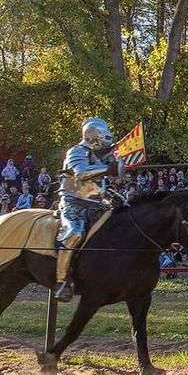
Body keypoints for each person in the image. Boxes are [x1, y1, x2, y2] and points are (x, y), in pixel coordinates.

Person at [55, 118, 123, 302]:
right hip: (74, 204)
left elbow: (96, 186)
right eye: (104, 137)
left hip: (97, 205)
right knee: (74, 234)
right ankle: (62, 281)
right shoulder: (76, 151)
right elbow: (81, 173)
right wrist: (109, 168)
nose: (107, 141)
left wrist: (110, 193)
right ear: (93, 136)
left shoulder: (98, 157)